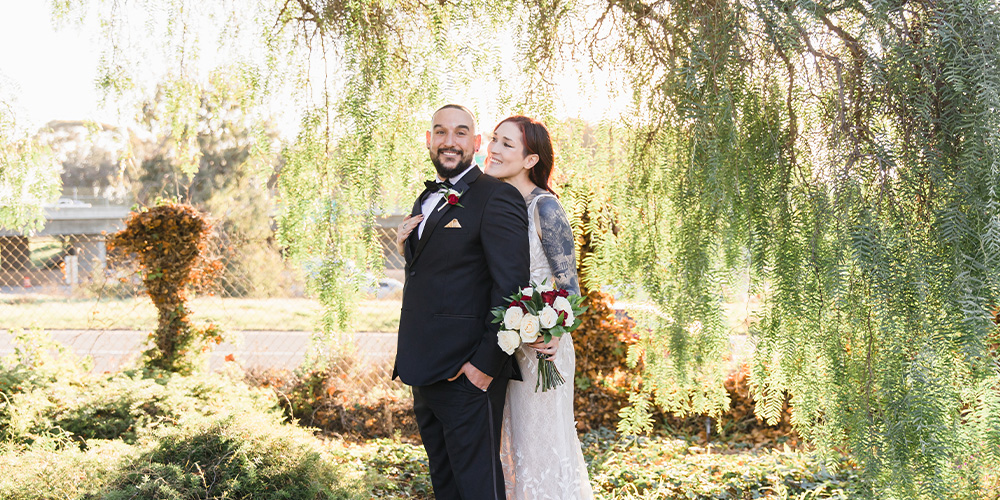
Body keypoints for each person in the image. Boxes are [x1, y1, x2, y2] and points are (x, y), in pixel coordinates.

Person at [393, 104, 530, 500]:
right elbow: (436, 277)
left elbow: (513, 290)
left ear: (476, 142)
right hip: (424, 369)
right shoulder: (425, 198)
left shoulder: (497, 197)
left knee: (478, 489)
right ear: (429, 140)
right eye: (440, 132)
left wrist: (484, 366)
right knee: (446, 485)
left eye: (459, 132)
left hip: (469, 375)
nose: (448, 141)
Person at [485, 115, 594, 499]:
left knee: (541, 450)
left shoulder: (545, 208)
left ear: (531, 160)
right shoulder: (494, 203)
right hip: (504, 350)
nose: (493, 149)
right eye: (494, 139)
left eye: (506, 144)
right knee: (508, 450)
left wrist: (556, 329)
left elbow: (571, 288)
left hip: (543, 353)